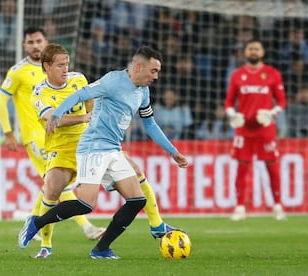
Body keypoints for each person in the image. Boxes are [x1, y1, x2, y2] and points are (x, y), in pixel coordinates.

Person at [18, 45, 189, 259]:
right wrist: (62, 116)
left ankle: (105, 247)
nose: (156, 77)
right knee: (77, 201)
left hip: (109, 147)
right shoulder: (110, 81)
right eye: (153, 71)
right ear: (139, 66)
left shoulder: (141, 91)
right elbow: (76, 100)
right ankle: (39, 230)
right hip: (87, 147)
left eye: (158, 71)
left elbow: (149, 124)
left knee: (137, 198)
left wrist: (173, 152)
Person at [0, 27, 105, 243]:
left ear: (45, 43)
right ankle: (86, 227)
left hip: (62, 135)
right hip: (35, 136)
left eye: (39, 41)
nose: (35, 45)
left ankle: (34, 223)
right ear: (24, 45)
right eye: (30, 42)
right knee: (56, 182)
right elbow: (1, 101)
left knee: (52, 186)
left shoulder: (62, 71)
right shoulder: (18, 71)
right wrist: (8, 132)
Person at [29, 43, 95, 258]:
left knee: (133, 176)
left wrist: (92, 120)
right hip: (60, 148)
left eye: (67, 64)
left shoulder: (79, 79)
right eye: (60, 65)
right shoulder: (39, 93)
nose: (66, 69)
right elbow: (54, 119)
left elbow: (91, 106)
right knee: (52, 190)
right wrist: (83, 118)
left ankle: (157, 225)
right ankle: (45, 246)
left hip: (87, 145)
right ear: (47, 66)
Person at [224, 39, 286, 221]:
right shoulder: (237, 75)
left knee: (272, 165)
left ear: (262, 52)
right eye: (250, 48)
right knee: (242, 167)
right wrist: (232, 115)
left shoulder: (272, 74)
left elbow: (282, 101)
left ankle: (278, 206)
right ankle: (240, 207)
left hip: (265, 128)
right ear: (245, 52)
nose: (253, 52)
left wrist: (272, 113)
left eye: (256, 49)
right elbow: (228, 102)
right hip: (244, 129)